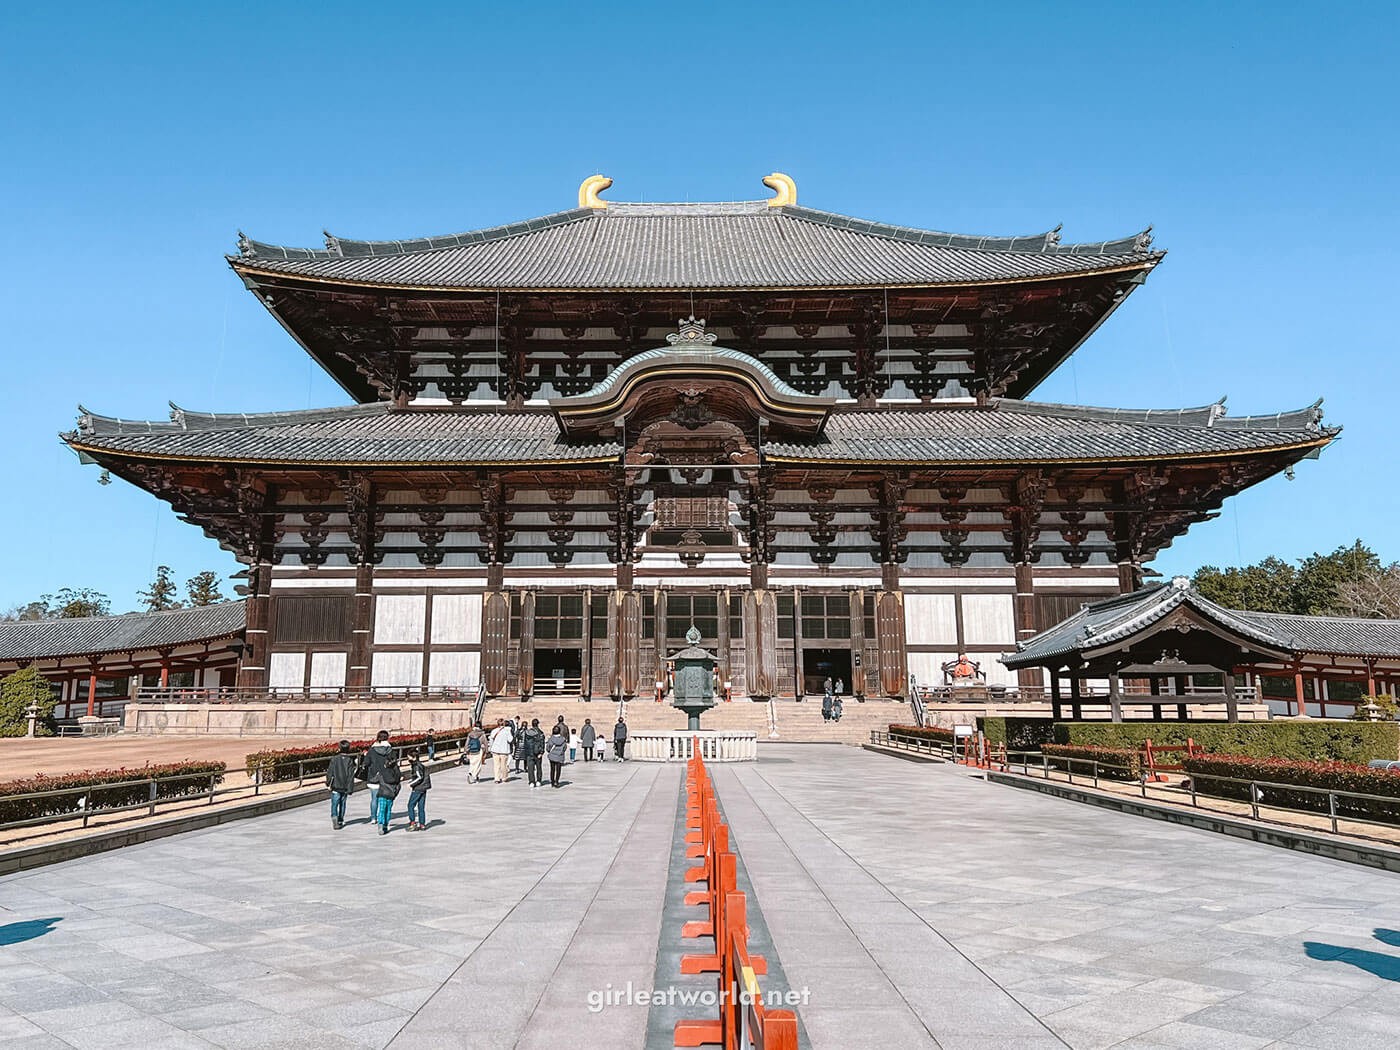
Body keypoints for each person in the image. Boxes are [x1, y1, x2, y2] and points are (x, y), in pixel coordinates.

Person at [358, 730, 396, 823]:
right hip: (386, 778)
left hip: (373, 777)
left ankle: (373, 818)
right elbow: (394, 763)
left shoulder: (372, 750)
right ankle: (382, 817)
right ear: (387, 738)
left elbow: (366, 763)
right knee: (384, 799)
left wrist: (365, 756)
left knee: (374, 798)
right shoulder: (390, 750)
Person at [325, 739, 356, 830]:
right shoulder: (350, 760)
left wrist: (328, 782)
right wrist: (350, 788)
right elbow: (351, 776)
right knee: (343, 803)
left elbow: (330, 772)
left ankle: (334, 818)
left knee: (334, 803)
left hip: (335, 785)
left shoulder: (335, 759)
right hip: (345, 786)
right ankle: (340, 819)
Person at [375, 747, 402, 834]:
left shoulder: (382, 773)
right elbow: (399, 785)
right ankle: (385, 825)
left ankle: (380, 825)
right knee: (388, 810)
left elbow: (374, 780)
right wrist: (395, 793)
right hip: (391, 794)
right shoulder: (396, 774)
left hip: (383, 793)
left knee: (382, 809)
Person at [406, 748, 431, 830]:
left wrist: (410, 784)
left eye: (408, 757)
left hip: (418, 788)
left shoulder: (416, 766)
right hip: (423, 787)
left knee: (410, 805)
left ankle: (412, 823)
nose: (408, 759)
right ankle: (422, 824)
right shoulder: (419, 764)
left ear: (413, 757)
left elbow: (419, 777)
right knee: (421, 807)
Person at [524, 718, 546, 789]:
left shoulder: (527, 732)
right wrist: (542, 752)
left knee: (530, 768)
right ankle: (538, 781)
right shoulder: (540, 733)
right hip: (537, 753)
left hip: (529, 753)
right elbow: (542, 743)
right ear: (538, 724)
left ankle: (531, 782)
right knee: (538, 767)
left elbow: (525, 743)